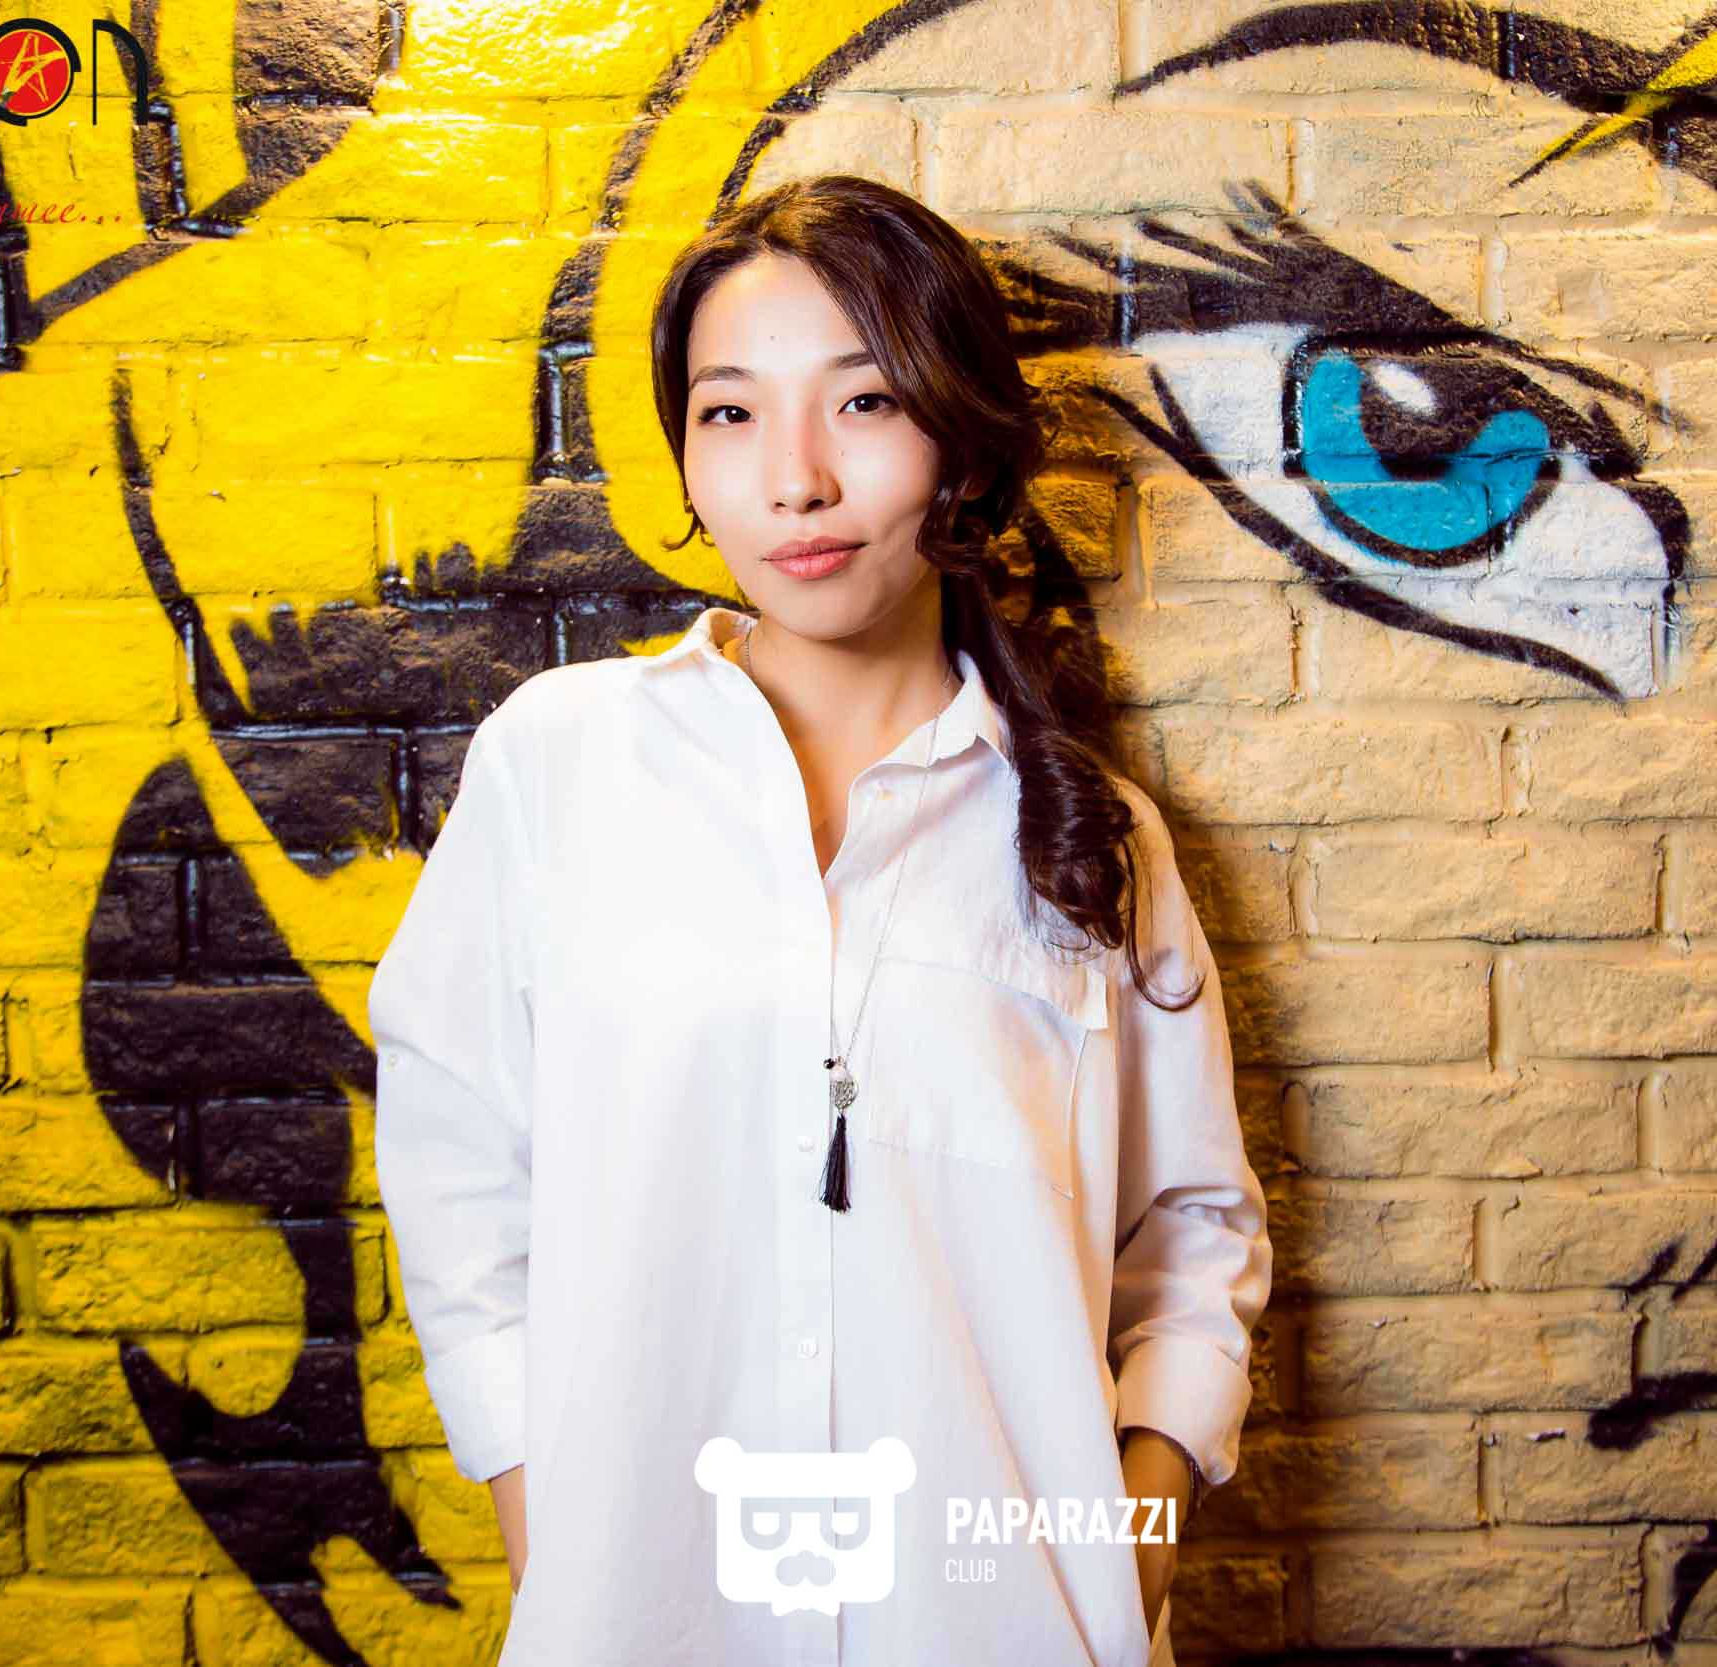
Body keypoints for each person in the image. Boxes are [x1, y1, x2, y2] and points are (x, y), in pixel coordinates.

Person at [369, 172, 1273, 1667]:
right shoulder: (561, 764)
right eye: (730, 412)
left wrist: (1130, 1564)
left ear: (960, 441)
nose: (793, 480)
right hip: (650, 1624)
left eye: (862, 403)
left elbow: (1191, 1234)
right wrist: (547, 1521)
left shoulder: (1091, 838)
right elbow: (460, 1167)